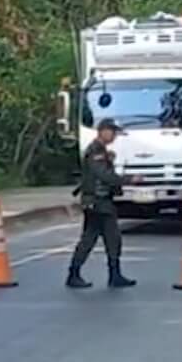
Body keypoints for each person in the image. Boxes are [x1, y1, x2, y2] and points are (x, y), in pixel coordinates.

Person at [68, 118, 135, 289]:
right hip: (97, 202)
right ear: (103, 131)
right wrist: (128, 180)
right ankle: (75, 274)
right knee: (92, 239)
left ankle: (114, 274)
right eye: (112, 132)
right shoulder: (95, 151)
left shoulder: (101, 151)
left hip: (102, 201)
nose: (114, 136)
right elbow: (104, 176)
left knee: (111, 239)